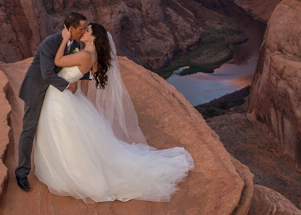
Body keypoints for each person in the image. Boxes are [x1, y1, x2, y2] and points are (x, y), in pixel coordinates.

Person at [32, 22, 194, 202]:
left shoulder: (86, 54)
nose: (83, 32)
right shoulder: (87, 53)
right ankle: (66, 168)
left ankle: (74, 173)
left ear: (94, 36)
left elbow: (58, 61)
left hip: (61, 96)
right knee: (66, 132)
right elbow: (78, 75)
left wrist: (64, 40)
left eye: (87, 30)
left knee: (62, 130)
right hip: (64, 93)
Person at [15, 12, 87, 191]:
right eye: (81, 29)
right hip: (37, 89)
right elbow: (47, 74)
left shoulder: (76, 44)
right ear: (71, 29)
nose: (84, 31)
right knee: (29, 128)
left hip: (54, 94)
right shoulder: (50, 43)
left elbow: (75, 66)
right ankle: (22, 172)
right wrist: (68, 86)